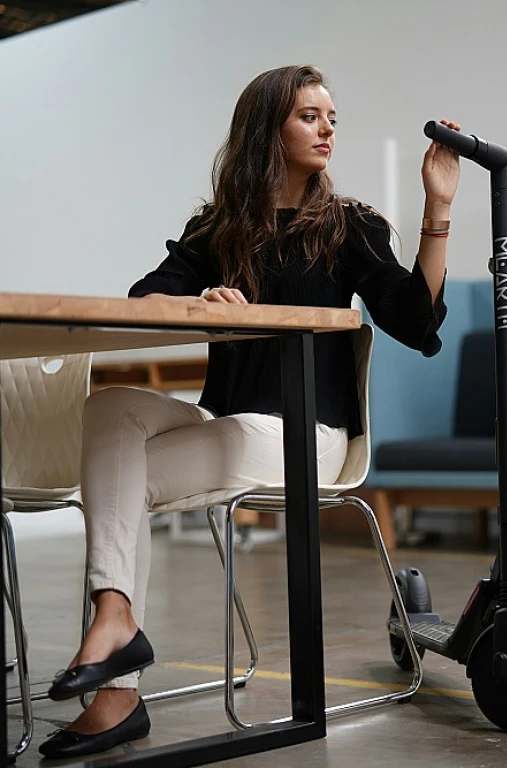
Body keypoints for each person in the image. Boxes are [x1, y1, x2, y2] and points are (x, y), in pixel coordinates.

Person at [39, 64, 461, 759]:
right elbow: (142, 299)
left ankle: (116, 688)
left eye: (331, 116)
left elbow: (416, 322)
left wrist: (437, 207)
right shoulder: (219, 229)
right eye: (308, 115)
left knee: (127, 477)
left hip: (311, 436)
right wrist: (195, 301)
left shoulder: (349, 226)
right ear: (268, 129)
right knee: (112, 410)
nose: (327, 127)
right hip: (229, 425)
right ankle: (115, 623)